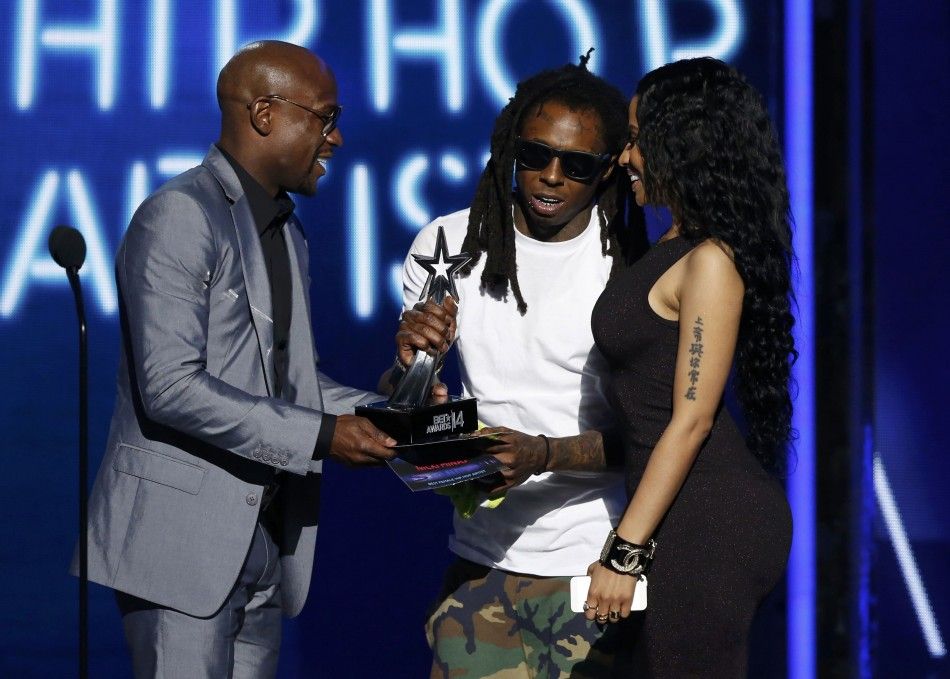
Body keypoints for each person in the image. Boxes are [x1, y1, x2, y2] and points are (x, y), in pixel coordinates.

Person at [72, 41, 397, 677]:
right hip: (181, 547)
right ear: (266, 113)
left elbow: (287, 384)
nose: (335, 139)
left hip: (266, 543)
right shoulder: (180, 216)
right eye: (324, 118)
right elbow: (169, 386)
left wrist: (389, 416)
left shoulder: (288, 231)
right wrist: (325, 435)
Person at [385, 55, 648, 678]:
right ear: (508, 148)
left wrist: (545, 455)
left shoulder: (631, 267)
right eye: (533, 155)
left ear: (608, 169)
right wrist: (411, 374)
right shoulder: (447, 247)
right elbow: (406, 423)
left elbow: (662, 436)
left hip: (597, 567)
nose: (551, 177)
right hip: (482, 565)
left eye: (577, 165)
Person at [584, 57, 795, 676]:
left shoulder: (710, 261)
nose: (626, 158)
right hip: (678, 517)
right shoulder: (672, 244)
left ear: (681, 143)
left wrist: (625, 553)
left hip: (709, 523)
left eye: (636, 140)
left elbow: (693, 419)